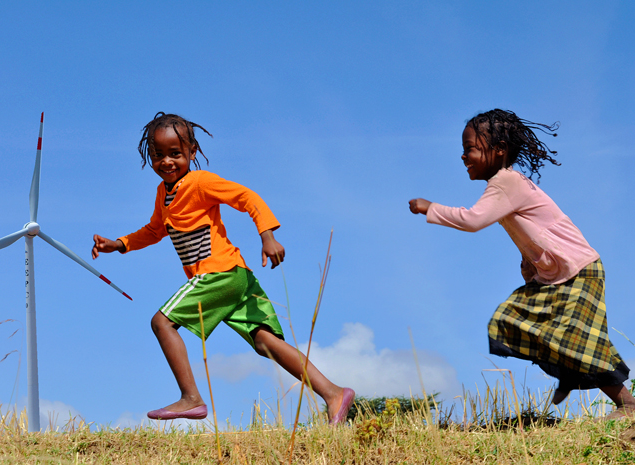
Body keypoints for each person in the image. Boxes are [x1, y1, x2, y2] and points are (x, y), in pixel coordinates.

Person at [92, 112, 354, 424]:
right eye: (158, 155)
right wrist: (118, 244)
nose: (167, 162)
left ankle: (191, 398)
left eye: (175, 153)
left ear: (192, 152)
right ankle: (333, 393)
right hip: (238, 278)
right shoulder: (164, 194)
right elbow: (154, 230)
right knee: (265, 342)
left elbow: (246, 197)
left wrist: (267, 236)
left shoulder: (200, 182)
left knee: (162, 323)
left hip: (218, 273)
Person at [408, 109, 635, 419]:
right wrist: (530, 263)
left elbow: (473, 221)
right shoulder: (504, 185)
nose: (463, 156)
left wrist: (430, 208)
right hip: (557, 273)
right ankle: (572, 372)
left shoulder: (506, 183)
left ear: (498, 149)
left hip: (579, 270)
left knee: (577, 337)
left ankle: (626, 404)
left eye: (470, 148)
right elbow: (532, 230)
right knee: (516, 320)